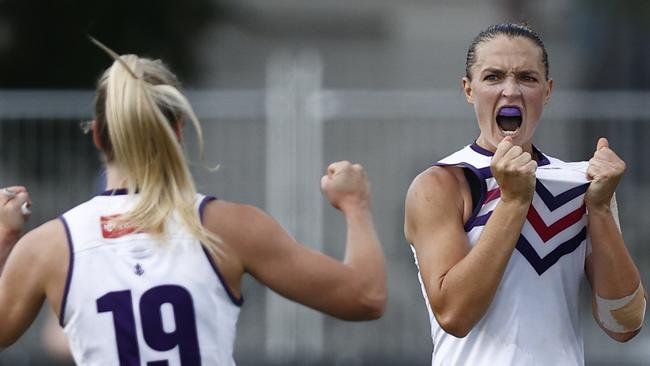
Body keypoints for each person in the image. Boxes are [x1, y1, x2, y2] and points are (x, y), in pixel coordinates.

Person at [0, 42, 386, 365]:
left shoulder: (50, 246)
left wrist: (4, 239)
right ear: (179, 131)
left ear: (98, 136)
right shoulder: (227, 227)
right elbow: (365, 296)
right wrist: (355, 204)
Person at [404, 23, 644, 365]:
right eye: (493, 77)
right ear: (468, 89)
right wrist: (514, 201)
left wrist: (601, 208)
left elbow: (625, 323)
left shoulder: (580, 183)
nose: (511, 91)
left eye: (527, 78)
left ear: (547, 91)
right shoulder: (442, 183)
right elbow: (455, 315)